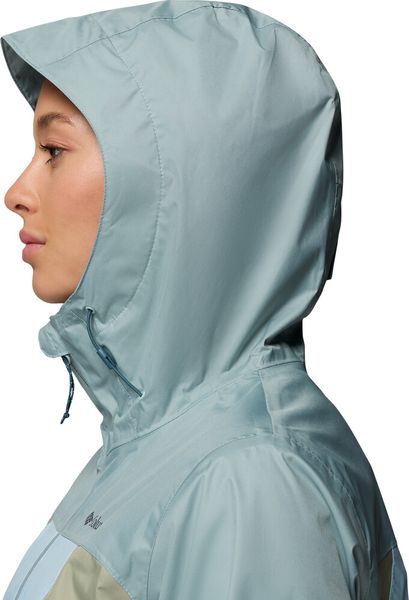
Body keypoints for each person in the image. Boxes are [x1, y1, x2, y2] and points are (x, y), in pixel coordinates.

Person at [1, 1, 408, 598]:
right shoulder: (167, 442)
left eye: (53, 151)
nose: (16, 192)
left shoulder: (250, 485)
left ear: (176, 186)